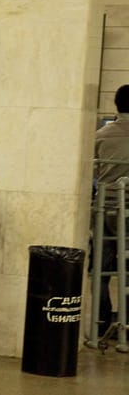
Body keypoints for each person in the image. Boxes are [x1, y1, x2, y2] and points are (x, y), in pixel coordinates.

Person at [94, 84, 129, 336]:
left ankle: (101, 322)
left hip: (103, 210)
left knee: (101, 270)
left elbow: (92, 173)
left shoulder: (100, 135)